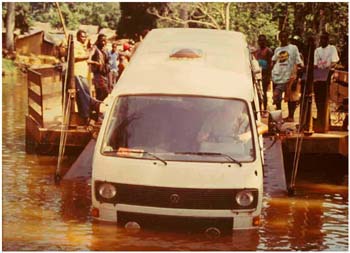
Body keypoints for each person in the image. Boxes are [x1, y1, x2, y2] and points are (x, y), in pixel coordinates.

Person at [271, 31, 303, 121]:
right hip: (279, 77)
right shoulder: (277, 49)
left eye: (284, 37)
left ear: (287, 37)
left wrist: (297, 77)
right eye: (281, 37)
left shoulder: (293, 48)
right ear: (279, 38)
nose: (283, 39)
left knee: (291, 98)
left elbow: (298, 62)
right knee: (277, 97)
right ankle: (278, 117)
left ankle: (291, 116)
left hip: (290, 76)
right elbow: (274, 61)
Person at [313, 32, 339, 129]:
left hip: (328, 75)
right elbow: (315, 64)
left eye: (325, 39)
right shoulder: (317, 50)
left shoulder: (332, 49)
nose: (323, 41)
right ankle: (320, 118)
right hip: (319, 75)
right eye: (321, 39)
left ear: (328, 40)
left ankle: (326, 120)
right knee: (318, 98)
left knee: (326, 99)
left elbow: (334, 62)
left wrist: (327, 68)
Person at [254, 34, 273, 116]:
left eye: (263, 40)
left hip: (265, 75)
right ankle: (259, 109)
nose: (261, 42)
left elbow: (270, 64)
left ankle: (265, 110)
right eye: (260, 40)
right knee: (258, 93)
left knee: (264, 93)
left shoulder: (268, 51)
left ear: (265, 41)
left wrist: (268, 76)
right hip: (257, 75)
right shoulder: (256, 52)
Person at [89, 34, 111, 101]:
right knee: (103, 92)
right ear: (98, 41)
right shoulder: (95, 48)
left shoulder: (105, 49)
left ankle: (101, 108)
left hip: (106, 73)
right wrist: (95, 63)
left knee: (106, 92)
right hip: (98, 74)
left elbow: (107, 60)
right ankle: (99, 107)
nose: (103, 43)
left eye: (104, 41)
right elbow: (88, 59)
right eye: (101, 41)